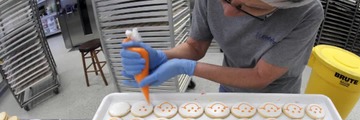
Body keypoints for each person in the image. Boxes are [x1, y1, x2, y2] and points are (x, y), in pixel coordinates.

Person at [121, 0, 324, 93]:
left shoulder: (306, 13)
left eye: (251, 7)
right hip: (229, 87)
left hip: (275, 97)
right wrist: (161, 56)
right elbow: (196, 46)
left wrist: (186, 67)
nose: (227, 13)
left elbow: (260, 76)